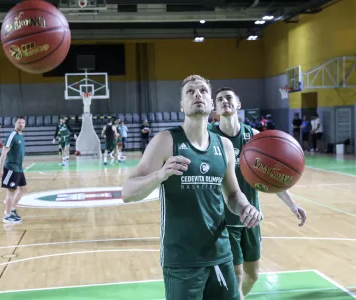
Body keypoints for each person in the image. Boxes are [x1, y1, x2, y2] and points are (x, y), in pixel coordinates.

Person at [122, 75, 262, 300]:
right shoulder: (166, 141)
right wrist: (160, 174)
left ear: (210, 104)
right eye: (190, 91)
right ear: (181, 105)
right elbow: (127, 192)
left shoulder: (223, 145)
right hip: (182, 260)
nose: (197, 94)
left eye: (203, 91)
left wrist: (246, 207)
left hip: (221, 254)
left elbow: (234, 194)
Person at [209, 87, 307, 299]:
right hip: (223, 220)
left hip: (251, 219)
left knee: (252, 275)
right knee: (235, 274)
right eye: (219, 99)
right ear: (215, 109)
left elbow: (272, 178)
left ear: (238, 104)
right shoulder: (210, 138)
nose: (224, 101)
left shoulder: (255, 138)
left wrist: (293, 205)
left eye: (228, 98)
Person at [0, 116, 27, 224]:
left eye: (23, 123)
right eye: (19, 122)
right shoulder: (12, 135)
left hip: (19, 168)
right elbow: (3, 153)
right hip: (11, 169)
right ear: (15, 123)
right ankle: (7, 215)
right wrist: (0, 169)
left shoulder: (21, 136)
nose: (21, 124)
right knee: (11, 192)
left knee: (23, 189)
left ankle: (12, 209)